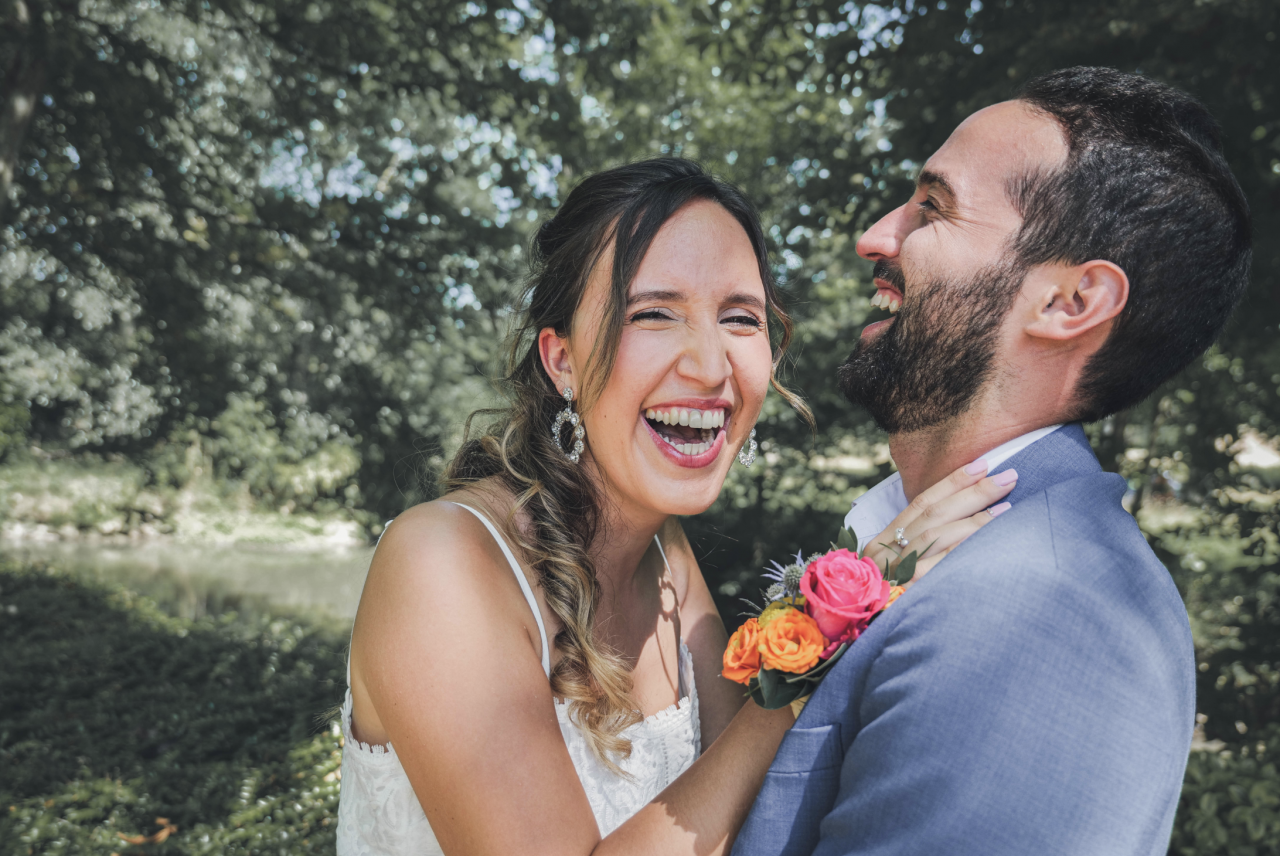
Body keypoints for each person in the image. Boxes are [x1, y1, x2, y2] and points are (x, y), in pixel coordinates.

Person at [334, 158, 1018, 856]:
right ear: (561, 360)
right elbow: (755, 748)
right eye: (654, 313)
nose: (710, 366)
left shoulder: (667, 557)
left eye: (740, 318)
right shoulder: (442, 565)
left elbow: (757, 810)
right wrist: (818, 647)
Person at [731, 66, 1252, 856]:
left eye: (932, 208)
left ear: (1069, 303)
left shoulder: (1046, 613)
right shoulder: (951, 552)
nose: (876, 235)